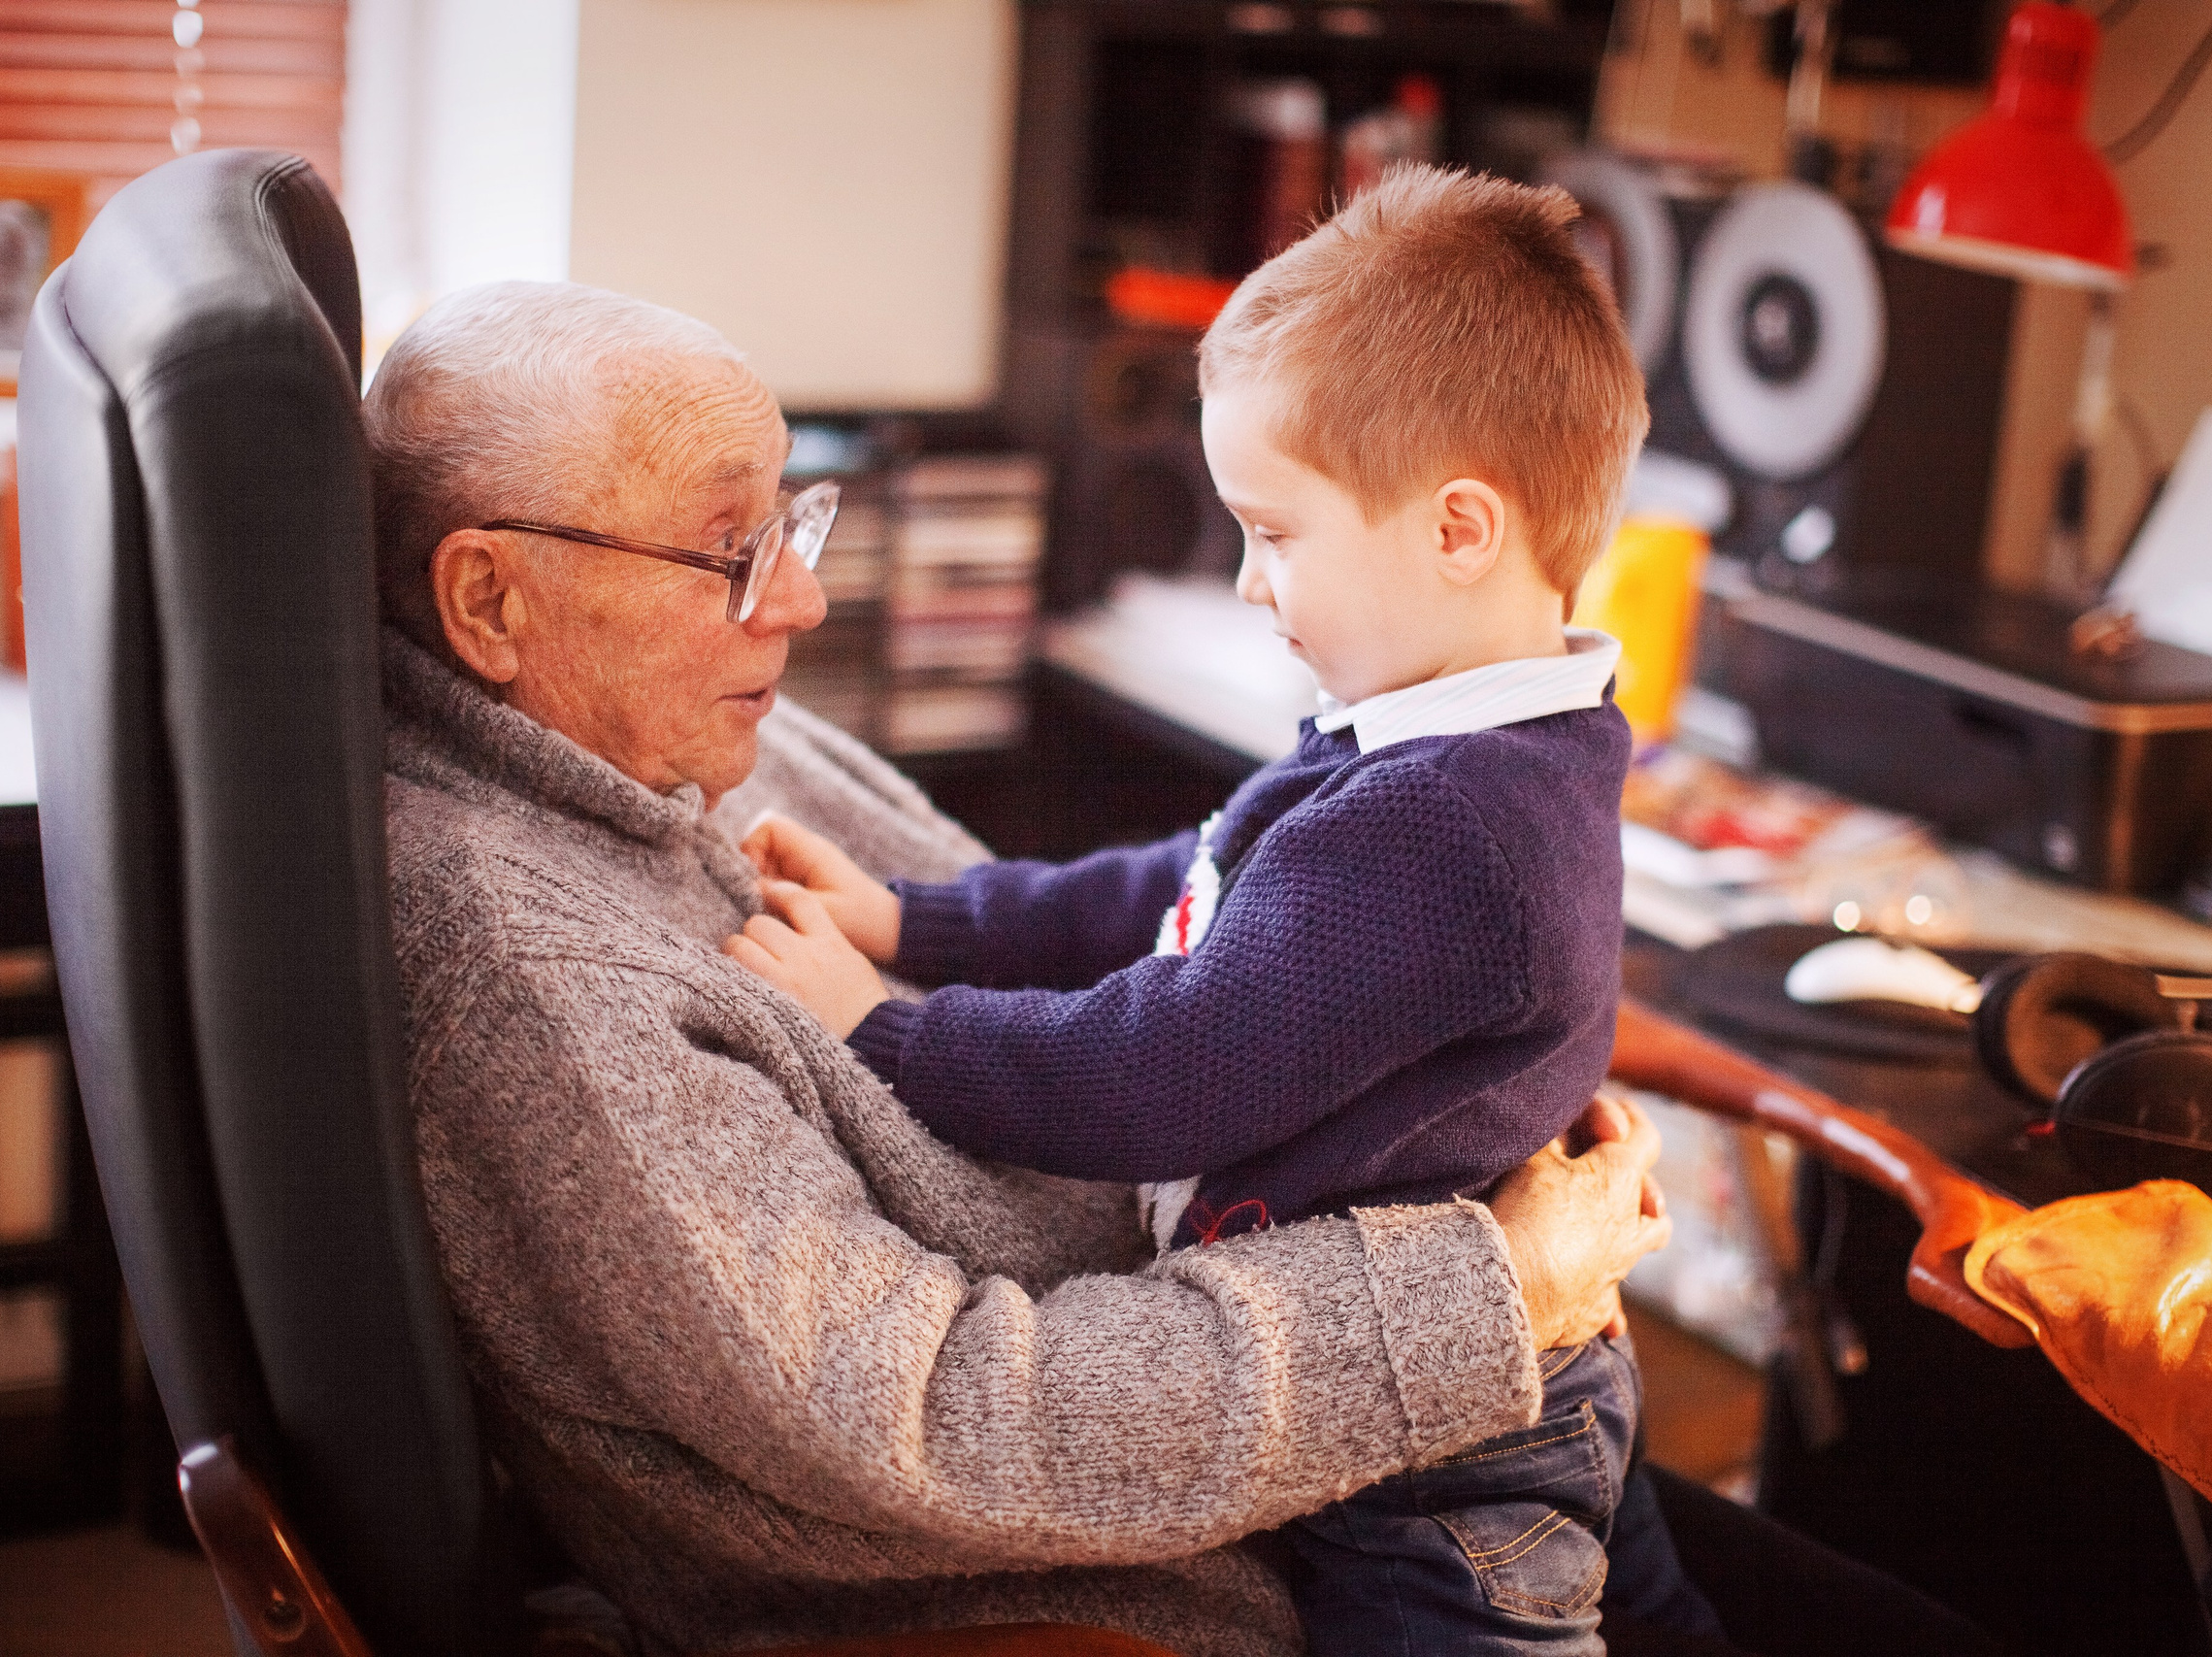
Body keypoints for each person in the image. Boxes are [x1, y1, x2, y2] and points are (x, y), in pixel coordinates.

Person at [367, 278, 1997, 1657]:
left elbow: (1177, 929)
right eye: (734, 550)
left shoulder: (681, 726)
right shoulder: (535, 980)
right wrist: (1490, 1292)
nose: (798, 598)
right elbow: (944, 1421)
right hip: (1241, 1542)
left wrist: (914, 938)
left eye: (793, 517)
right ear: (493, 602)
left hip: (1398, 1408)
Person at [722, 166, 1714, 1657]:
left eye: (1276, 532)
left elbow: (1158, 1076)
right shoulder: (1434, 734)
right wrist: (919, 923)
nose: (1251, 585)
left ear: (1459, 531)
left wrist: (885, 1031)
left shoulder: (1442, 823)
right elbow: (1180, 895)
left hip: (1433, 1465)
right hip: (1504, 1376)